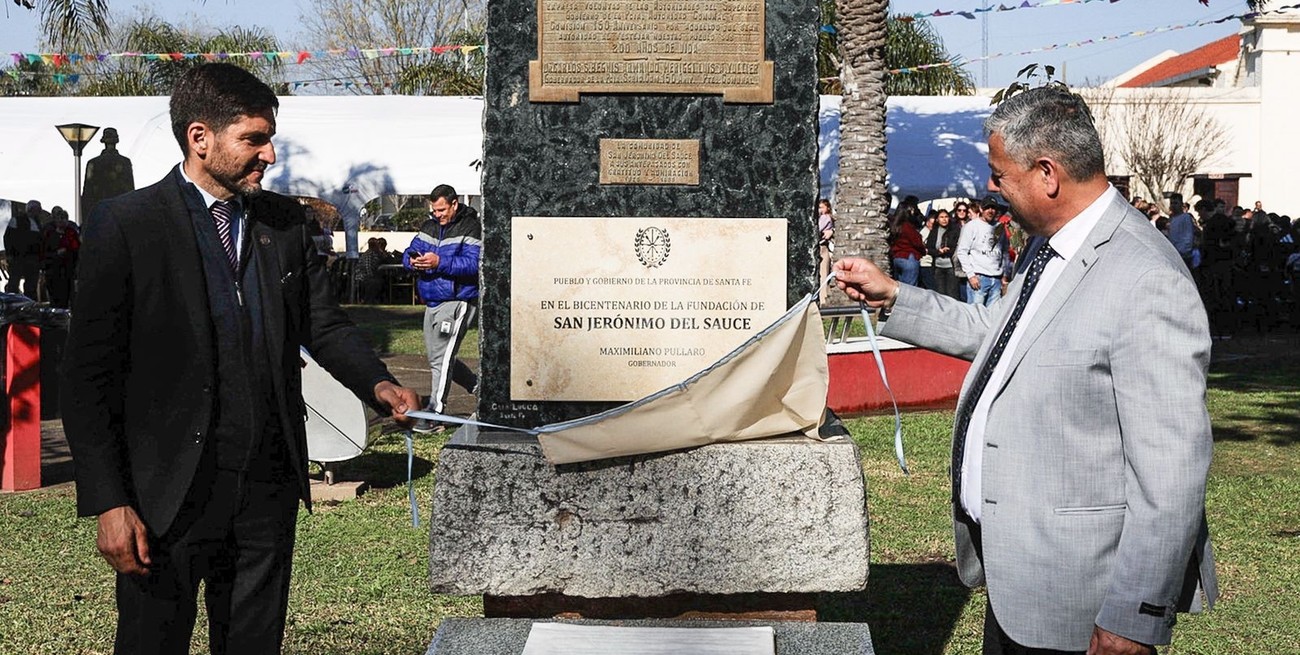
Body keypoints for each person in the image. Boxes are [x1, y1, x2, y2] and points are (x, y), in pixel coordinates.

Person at [834, 86, 1215, 655]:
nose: (992, 187)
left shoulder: (1145, 277)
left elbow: (1172, 471)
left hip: (1084, 606)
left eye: (999, 174)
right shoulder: (1049, 245)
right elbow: (999, 335)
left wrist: (1133, 616)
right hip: (1022, 587)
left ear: (1047, 174)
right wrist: (894, 296)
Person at [60, 63, 420, 655]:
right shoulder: (127, 224)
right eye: (254, 139)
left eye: (269, 138)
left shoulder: (286, 222)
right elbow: (87, 376)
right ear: (200, 138)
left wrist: (378, 384)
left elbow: (322, 323)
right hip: (164, 495)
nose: (269, 155)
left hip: (266, 489)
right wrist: (108, 501)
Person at [403, 183, 481, 432]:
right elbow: (408, 252)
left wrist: (439, 262)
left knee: (441, 358)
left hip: (458, 300)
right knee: (439, 357)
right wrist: (413, 261)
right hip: (432, 300)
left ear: (454, 204)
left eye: (441, 210)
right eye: (434, 210)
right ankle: (480, 388)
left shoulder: (471, 227)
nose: (437, 215)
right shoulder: (429, 227)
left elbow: (474, 265)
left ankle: (435, 414)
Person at [955, 195, 1007, 306]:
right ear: (981, 209)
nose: (990, 211)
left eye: (993, 208)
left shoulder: (999, 227)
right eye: (987, 208)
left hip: (996, 278)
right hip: (979, 277)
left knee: (993, 314)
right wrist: (971, 275)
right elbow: (962, 251)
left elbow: (1004, 252)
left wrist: (1005, 274)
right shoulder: (972, 226)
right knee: (975, 313)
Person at [82, 127, 136, 215]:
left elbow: (87, 193)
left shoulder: (94, 163)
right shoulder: (125, 162)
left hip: (99, 211)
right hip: (120, 211)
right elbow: (130, 191)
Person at [39, 205, 80, 308]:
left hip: (68, 269)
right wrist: (55, 255)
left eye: (64, 219)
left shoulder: (71, 233)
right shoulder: (49, 234)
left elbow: (77, 249)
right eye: (59, 219)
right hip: (53, 270)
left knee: (68, 295)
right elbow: (44, 251)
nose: (61, 221)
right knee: (55, 296)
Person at [5, 199, 45, 298]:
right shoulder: (17, 220)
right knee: (14, 282)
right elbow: (8, 238)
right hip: (18, 257)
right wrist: (9, 254)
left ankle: (30, 302)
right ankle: (12, 301)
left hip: (33, 258)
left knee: (31, 283)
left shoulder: (38, 223)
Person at [888, 196, 926, 287]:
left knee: (900, 286)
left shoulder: (894, 226)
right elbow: (916, 242)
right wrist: (923, 250)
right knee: (910, 287)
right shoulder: (907, 227)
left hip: (897, 257)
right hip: (908, 256)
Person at [926, 208, 961, 300]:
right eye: (941, 217)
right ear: (937, 219)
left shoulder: (955, 230)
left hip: (951, 266)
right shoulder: (934, 231)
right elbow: (929, 248)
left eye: (946, 217)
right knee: (940, 294)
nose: (944, 219)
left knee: (952, 294)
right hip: (938, 266)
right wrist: (939, 251)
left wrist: (948, 251)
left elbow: (957, 247)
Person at [1165, 194, 1196, 270]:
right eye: (1172, 203)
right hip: (1174, 254)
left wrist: (1182, 250)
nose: (1173, 205)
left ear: (1181, 204)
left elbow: (1188, 236)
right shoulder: (1172, 219)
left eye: (1176, 203)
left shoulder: (1186, 217)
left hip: (1183, 256)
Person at [816, 198, 834, 304]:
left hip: (822, 247)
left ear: (827, 208)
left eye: (821, 207)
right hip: (823, 247)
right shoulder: (827, 218)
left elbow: (818, 229)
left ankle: (822, 300)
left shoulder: (825, 217)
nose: (820, 210)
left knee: (823, 276)